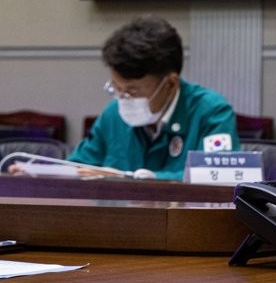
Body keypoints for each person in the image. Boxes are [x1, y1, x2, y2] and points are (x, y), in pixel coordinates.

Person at [68, 16, 239, 181]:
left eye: (132, 92)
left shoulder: (211, 113)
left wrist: (143, 180)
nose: (123, 99)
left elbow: (219, 177)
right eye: (117, 89)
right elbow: (73, 169)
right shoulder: (112, 114)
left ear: (171, 83)